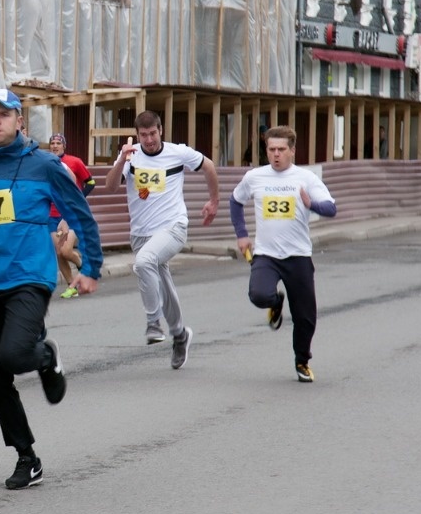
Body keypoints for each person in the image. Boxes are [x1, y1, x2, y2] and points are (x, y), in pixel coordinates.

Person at [0, 88, 103, 490]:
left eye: (4, 114)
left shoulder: (44, 166)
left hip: (29, 276)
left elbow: (80, 214)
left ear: (19, 121)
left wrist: (91, 267)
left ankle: (45, 356)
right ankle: (27, 456)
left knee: (13, 354)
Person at [104, 110, 219, 369]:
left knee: (144, 263)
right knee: (162, 284)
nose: (149, 140)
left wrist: (214, 201)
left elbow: (209, 166)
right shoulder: (130, 156)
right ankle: (180, 334)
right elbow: (110, 186)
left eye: (153, 134)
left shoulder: (178, 152)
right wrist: (122, 159)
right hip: (141, 233)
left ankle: (153, 323)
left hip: (173, 227)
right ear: (137, 135)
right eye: (143, 135)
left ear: (161, 131)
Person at [229, 125, 336, 383]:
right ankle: (275, 303)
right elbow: (235, 201)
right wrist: (242, 234)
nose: (276, 154)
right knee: (258, 295)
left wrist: (312, 204)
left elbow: (331, 208)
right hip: (266, 255)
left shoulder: (305, 178)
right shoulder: (255, 176)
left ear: (292, 151)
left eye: (281, 149)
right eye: (271, 149)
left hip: (298, 256)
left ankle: (302, 361)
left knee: (305, 316)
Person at [47, 133, 96, 299]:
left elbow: (91, 183)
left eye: (58, 143)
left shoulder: (74, 162)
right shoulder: (45, 164)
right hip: (52, 215)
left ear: (64, 146)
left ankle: (84, 266)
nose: (55, 146)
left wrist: (78, 198)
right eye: (52, 143)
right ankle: (71, 286)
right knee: (59, 252)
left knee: (66, 251)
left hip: (71, 215)